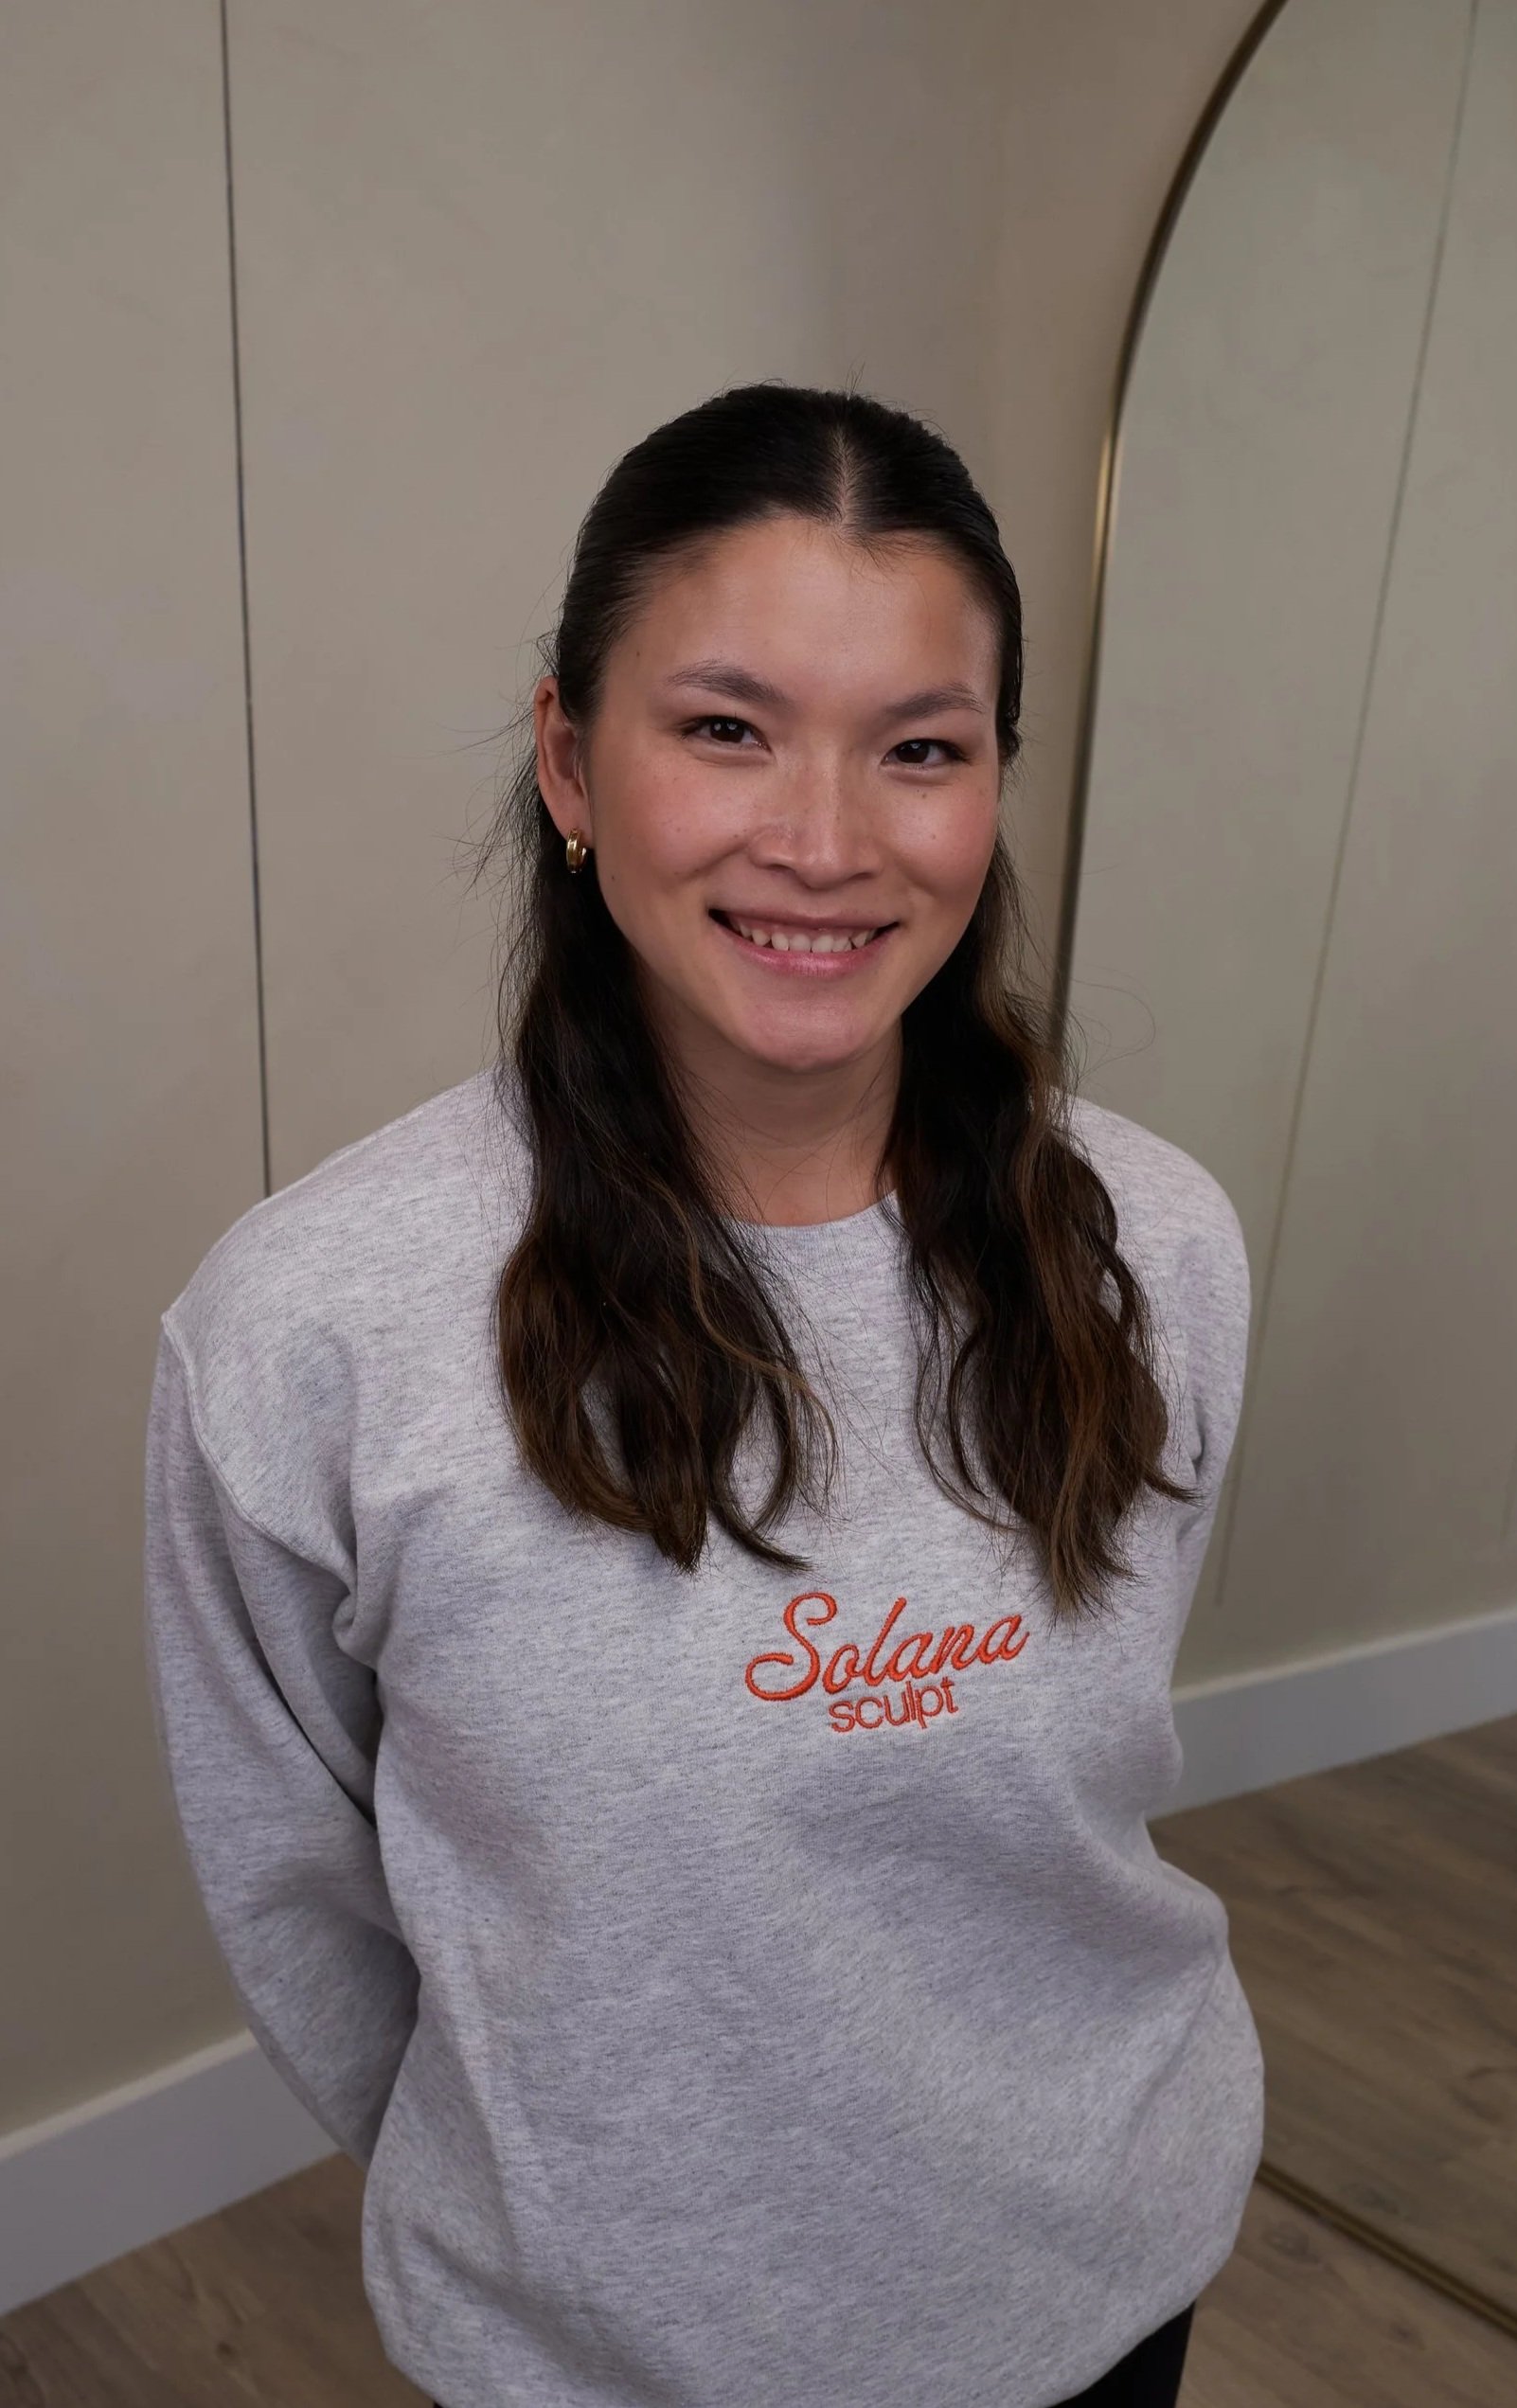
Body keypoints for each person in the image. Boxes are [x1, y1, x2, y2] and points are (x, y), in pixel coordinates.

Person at [143, 381, 1260, 2408]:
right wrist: (583, 2209)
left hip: (1098, 2265)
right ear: (571, 758)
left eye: (918, 750)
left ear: (991, 783)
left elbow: (1073, 1784)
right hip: (598, 2359)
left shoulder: (1152, 1246)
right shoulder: (310, 1329)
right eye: (722, 728)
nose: (822, 843)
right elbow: (304, 1900)